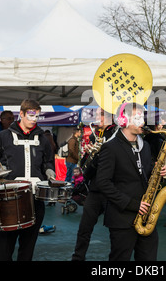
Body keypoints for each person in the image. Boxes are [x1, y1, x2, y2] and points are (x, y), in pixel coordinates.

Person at [0, 99, 55, 261]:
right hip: (9, 198)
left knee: (28, 248)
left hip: (35, 199)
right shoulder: (3, 136)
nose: (34, 119)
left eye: (36, 116)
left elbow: (48, 161)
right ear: (21, 114)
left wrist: (50, 171)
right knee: (5, 248)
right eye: (30, 115)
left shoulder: (43, 139)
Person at [95, 102, 166, 261]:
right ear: (123, 120)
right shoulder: (111, 147)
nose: (142, 122)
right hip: (122, 219)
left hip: (146, 217)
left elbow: (145, 174)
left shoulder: (146, 145)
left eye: (143, 117)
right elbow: (103, 182)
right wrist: (133, 204)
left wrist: (158, 172)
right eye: (137, 118)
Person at [71, 107, 116, 261]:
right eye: (97, 115)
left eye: (101, 115)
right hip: (95, 189)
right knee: (84, 228)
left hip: (112, 189)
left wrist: (99, 154)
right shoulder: (94, 135)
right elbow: (86, 167)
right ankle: (78, 257)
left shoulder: (117, 134)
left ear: (111, 117)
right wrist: (89, 156)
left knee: (115, 231)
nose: (98, 118)